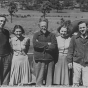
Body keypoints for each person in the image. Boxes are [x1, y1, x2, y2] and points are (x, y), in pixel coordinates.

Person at [33, 17, 57, 86]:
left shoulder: (52, 35)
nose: (44, 28)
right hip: (39, 59)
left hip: (49, 59)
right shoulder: (36, 35)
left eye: (45, 26)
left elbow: (53, 46)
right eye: (42, 26)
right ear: (39, 26)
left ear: (47, 26)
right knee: (39, 80)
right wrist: (47, 44)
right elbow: (35, 45)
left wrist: (41, 44)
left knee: (49, 81)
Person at [67, 21, 88, 86]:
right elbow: (70, 50)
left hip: (87, 63)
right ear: (78, 29)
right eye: (80, 28)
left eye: (83, 27)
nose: (82, 29)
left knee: (86, 82)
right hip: (77, 61)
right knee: (76, 82)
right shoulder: (74, 38)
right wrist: (69, 61)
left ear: (87, 28)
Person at [0, 15, 12, 85]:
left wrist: (10, 54)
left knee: (6, 75)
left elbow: (7, 43)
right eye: (1, 21)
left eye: (4, 21)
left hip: (6, 56)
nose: (2, 23)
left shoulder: (6, 32)